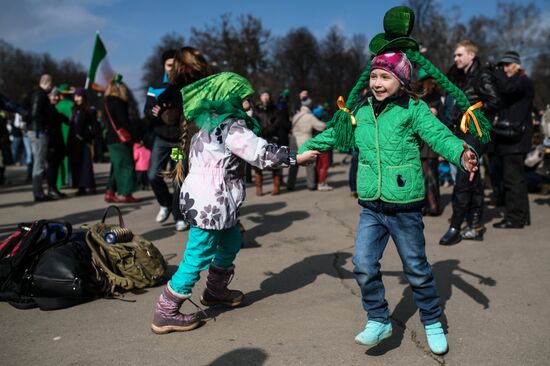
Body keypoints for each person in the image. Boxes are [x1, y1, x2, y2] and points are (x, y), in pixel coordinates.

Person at [298, 6, 489, 355]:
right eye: (374, 77)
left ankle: (432, 320)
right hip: (371, 206)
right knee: (363, 265)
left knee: (416, 269)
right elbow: (331, 134)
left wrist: (461, 154)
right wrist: (307, 149)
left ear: (402, 81)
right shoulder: (359, 111)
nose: (377, 83)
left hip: (404, 207)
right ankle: (378, 318)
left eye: (385, 78)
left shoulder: (413, 109)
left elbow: (439, 135)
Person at [150, 65, 319, 333]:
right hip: (211, 202)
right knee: (197, 255)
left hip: (208, 199)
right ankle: (166, 310)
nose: (247, 103)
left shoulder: (205, 125)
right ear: (226, 98)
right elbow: (260, 153)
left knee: (231, 240)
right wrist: (296, 157)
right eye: (243, 98)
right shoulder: (230, 127)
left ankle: (215, 289)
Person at [439, 40, 499, 244]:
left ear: (471, 55)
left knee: (464, 178)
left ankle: (455, 226)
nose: (455, 58)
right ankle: (475, 225)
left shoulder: (482, 75)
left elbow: (494, 101)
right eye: (455, 55)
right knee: (474, 179)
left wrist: (472, 112)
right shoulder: (462, 77)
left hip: (476, 131)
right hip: (463, 131)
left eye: (459, 55)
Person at [145, 49, 189, 231]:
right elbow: (147, 112)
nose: (172, 69)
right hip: (161, 140)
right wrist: (156, 113)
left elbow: (189, 112)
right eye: (169, 65)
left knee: (178, 177)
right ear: (164, 66)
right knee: (152, 175)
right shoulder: (155, 86)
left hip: (178, 141)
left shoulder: (185, 86)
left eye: (175, 65)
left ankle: (180, 216)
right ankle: (166, 204)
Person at [491, 51, 534, 228]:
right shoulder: (517, 81)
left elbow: (508, 89)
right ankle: (522, 216)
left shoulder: (523, 81)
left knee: (512, 180)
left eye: (508, 65)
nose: (505, 69)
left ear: (517, 65)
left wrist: (497, 73)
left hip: (516, 141)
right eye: (503, 65)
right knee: (516, 180)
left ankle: (515, 218)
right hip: (511, 140)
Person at [103, 75, 139, 203]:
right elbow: (124, 122)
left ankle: (110, 191)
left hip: (110, 139)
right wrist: (136, 137)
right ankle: (126, 193)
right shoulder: (119, 103)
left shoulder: (106, 103)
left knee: (116, 165)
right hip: (121, 139)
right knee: (126, 165)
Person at [414, 70, 444, 215]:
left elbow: (443, 121)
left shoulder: (436, 97)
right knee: (420, 175)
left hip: (430, 142)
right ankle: (424, 205)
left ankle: (432, 205)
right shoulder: (416, 97)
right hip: (420, 141)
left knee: (430, 175)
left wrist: (436, 114)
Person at [286, 97, 326, 191]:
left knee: (293, 162)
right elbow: (320, 126)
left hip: (293, 139)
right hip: (304, 139)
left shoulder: (296, 115)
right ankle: (311, 184)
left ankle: (290, 184)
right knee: (309, 162)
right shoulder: (310, 116)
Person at [27, 74, 54, 202]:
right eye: (51, 84)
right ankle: (38, 193)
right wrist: (44, 125)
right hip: (38, 131)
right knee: (39, 163)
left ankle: (38, 192)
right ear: (47, 82)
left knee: (38, 162)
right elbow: (35, 113)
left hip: (34, 130)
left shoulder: (33, 92)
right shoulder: (40, 94)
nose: (51, 87)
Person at [67, 88, 98, 195]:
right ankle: (80, 187)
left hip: (84, 142)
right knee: (77, 164)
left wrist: (87, 137)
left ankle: (90, 186)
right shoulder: (74, 110)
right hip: (74, 142)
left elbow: (94, 127)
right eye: (75, 96)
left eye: (79, 96)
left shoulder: (89, 110)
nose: (77, 98)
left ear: (84, 97)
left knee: (86, 165)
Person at [252, 89, 282, 195]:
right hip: (260, 139)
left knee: (275, 164)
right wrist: (260, 130)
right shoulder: (256, 109)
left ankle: (276, 187)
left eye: (267, 95)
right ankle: (258, 188)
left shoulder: (274, 108)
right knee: (258, 165)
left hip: (272, 138)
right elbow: (254, 122)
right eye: (263, 95)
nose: (265, 97)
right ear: (260, 97)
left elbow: (278, 121)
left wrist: (271, 129)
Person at [46, 87, 68, 198]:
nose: (56, 97)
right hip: (51, 144)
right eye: (53, 95)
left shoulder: (53, 109)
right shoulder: (48, 109)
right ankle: (51, 189)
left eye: (57, 95)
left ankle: (53, 188)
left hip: (56, 143)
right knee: (52, 167)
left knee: (54, 167)